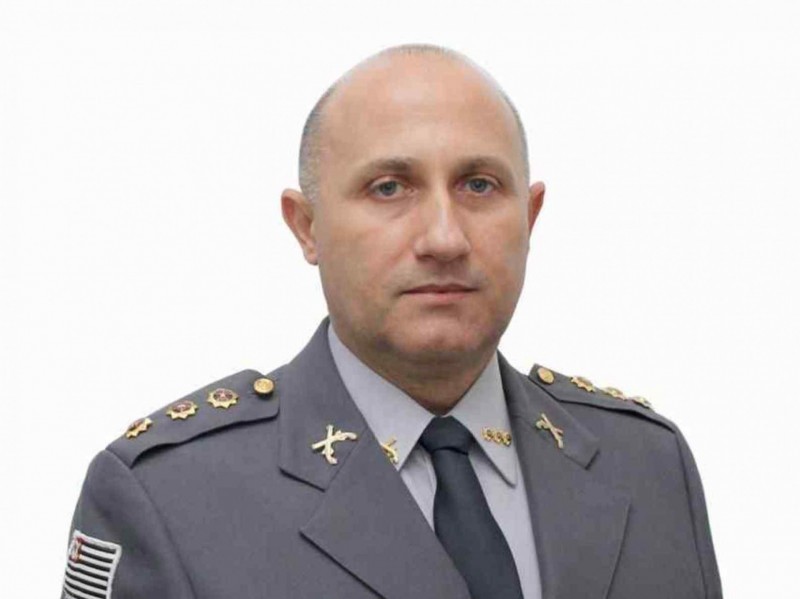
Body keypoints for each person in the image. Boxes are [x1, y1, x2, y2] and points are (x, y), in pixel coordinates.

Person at [61, 43, 722, 599]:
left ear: (530, 217)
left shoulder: (645, 464)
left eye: (479, 185)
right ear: (307, 226)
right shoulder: (171, 496)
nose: (444, 238)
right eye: (389, 188)